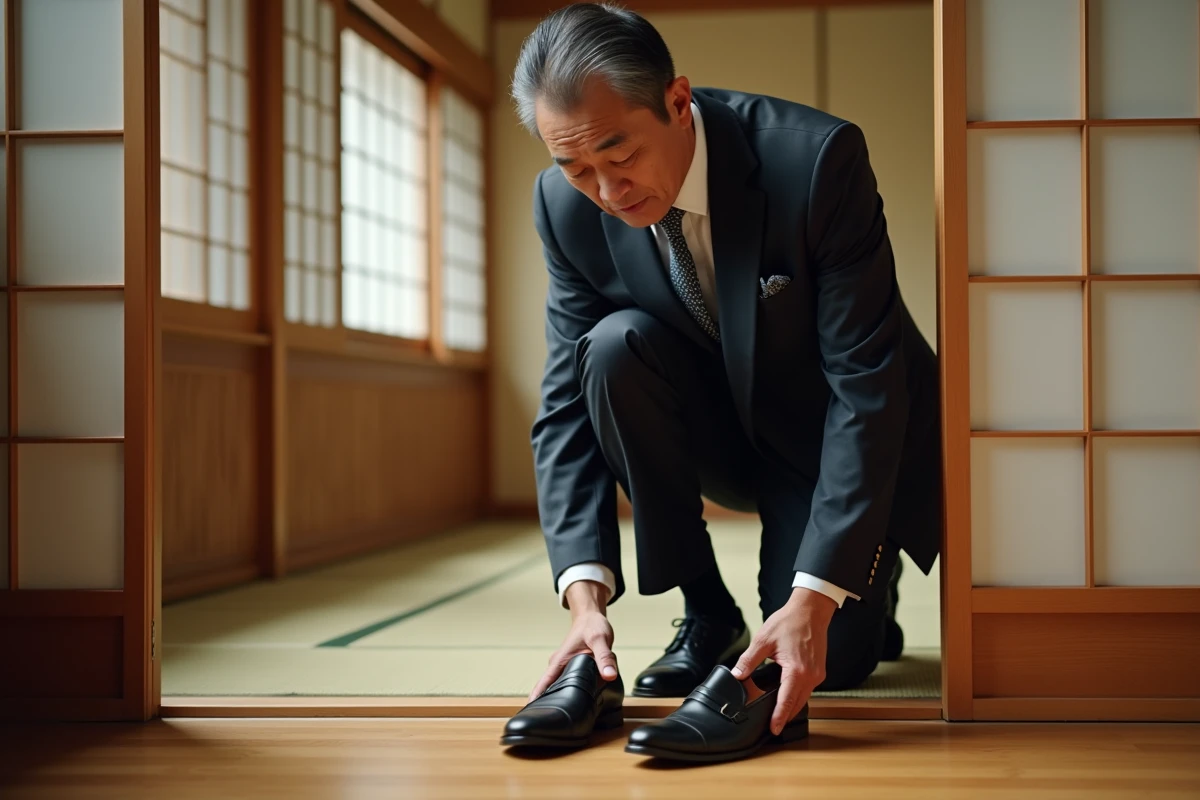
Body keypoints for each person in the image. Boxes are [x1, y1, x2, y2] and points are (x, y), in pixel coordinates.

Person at [514, 2, 941, 742]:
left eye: (620, 156)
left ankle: (871, 581)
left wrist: (817, 593)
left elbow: (866, 383)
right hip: (709, 429)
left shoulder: (815, 162)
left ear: (678, 102)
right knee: (609, 351)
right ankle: (708, 609)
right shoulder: (564, 207)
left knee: (830, 658)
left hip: (822, 431)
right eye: (577, 168)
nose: (607, 192)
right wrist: (584, 601)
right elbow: (564, 408)